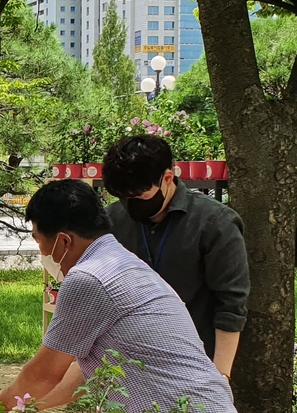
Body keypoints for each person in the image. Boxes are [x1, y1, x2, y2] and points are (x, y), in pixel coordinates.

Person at [0, 179, 246, 413]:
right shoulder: (124, 264)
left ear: (64, 241)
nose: (42, 253)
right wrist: (24, 407)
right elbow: (82, 373)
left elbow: (44, 373)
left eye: (39, 241)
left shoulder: (89, 278)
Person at [102, 135, 250, 380]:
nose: (130, 205)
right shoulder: (112, 221)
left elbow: (231, 304)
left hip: (192, 366)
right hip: (126, 366)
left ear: (167, 178)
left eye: (139, 197)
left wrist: (220, 376)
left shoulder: (215, 223)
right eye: (123, 198)